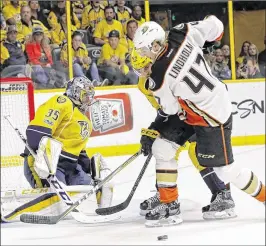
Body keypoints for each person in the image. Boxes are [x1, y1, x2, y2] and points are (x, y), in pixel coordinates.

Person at [132, 17, 265, 227]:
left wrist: (155, 127)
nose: (142, 55)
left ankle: (262, 197)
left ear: (156, 45)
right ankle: (169, 206)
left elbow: (170, 110)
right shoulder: (180, 32)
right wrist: (210, 40)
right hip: (203, 104)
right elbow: (216, 25)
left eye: (143, 50)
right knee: (163, 149)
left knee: (227, 170)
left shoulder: (158, 76)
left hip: (212, 115)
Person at [131, 47, 236, 223]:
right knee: (164, 149)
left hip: (198, 111)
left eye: (146, 67)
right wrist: (155, 130)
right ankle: (165, 195)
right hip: (179, 115)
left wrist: (155, 128)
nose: (143, 73)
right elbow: (164, 109)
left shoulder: (167, 71)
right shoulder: (144, 84)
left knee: (199, 152)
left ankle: (223, 195)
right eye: (138, 70)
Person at [22, 76, 113, 208]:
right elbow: (37, 131)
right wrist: (42, 160)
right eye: (85, 95)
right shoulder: (62, 102)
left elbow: (79, 152)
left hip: (71, 167)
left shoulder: (85, 121)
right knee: (57, 203)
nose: (89, 100)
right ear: (75, 92)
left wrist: (89, 169)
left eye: (90, 96)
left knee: (92, 190)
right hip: (49, 164)